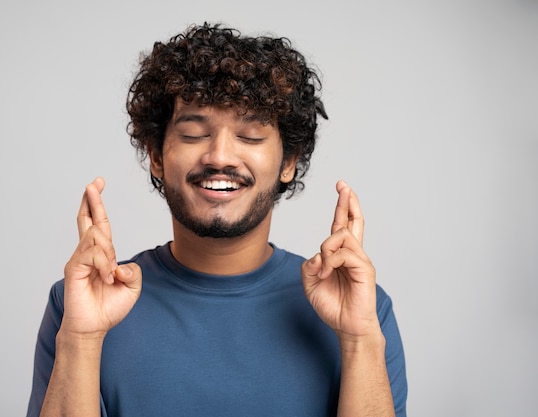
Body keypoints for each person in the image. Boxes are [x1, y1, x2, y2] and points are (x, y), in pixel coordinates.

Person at [27, 22, 407, 417]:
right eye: (193, 134)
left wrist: (360, 338)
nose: (220, 156)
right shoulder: (79, 304)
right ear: (156, 157)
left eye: (251, 136)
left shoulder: (361, 309)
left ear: (288, 162)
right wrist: (82, 338)